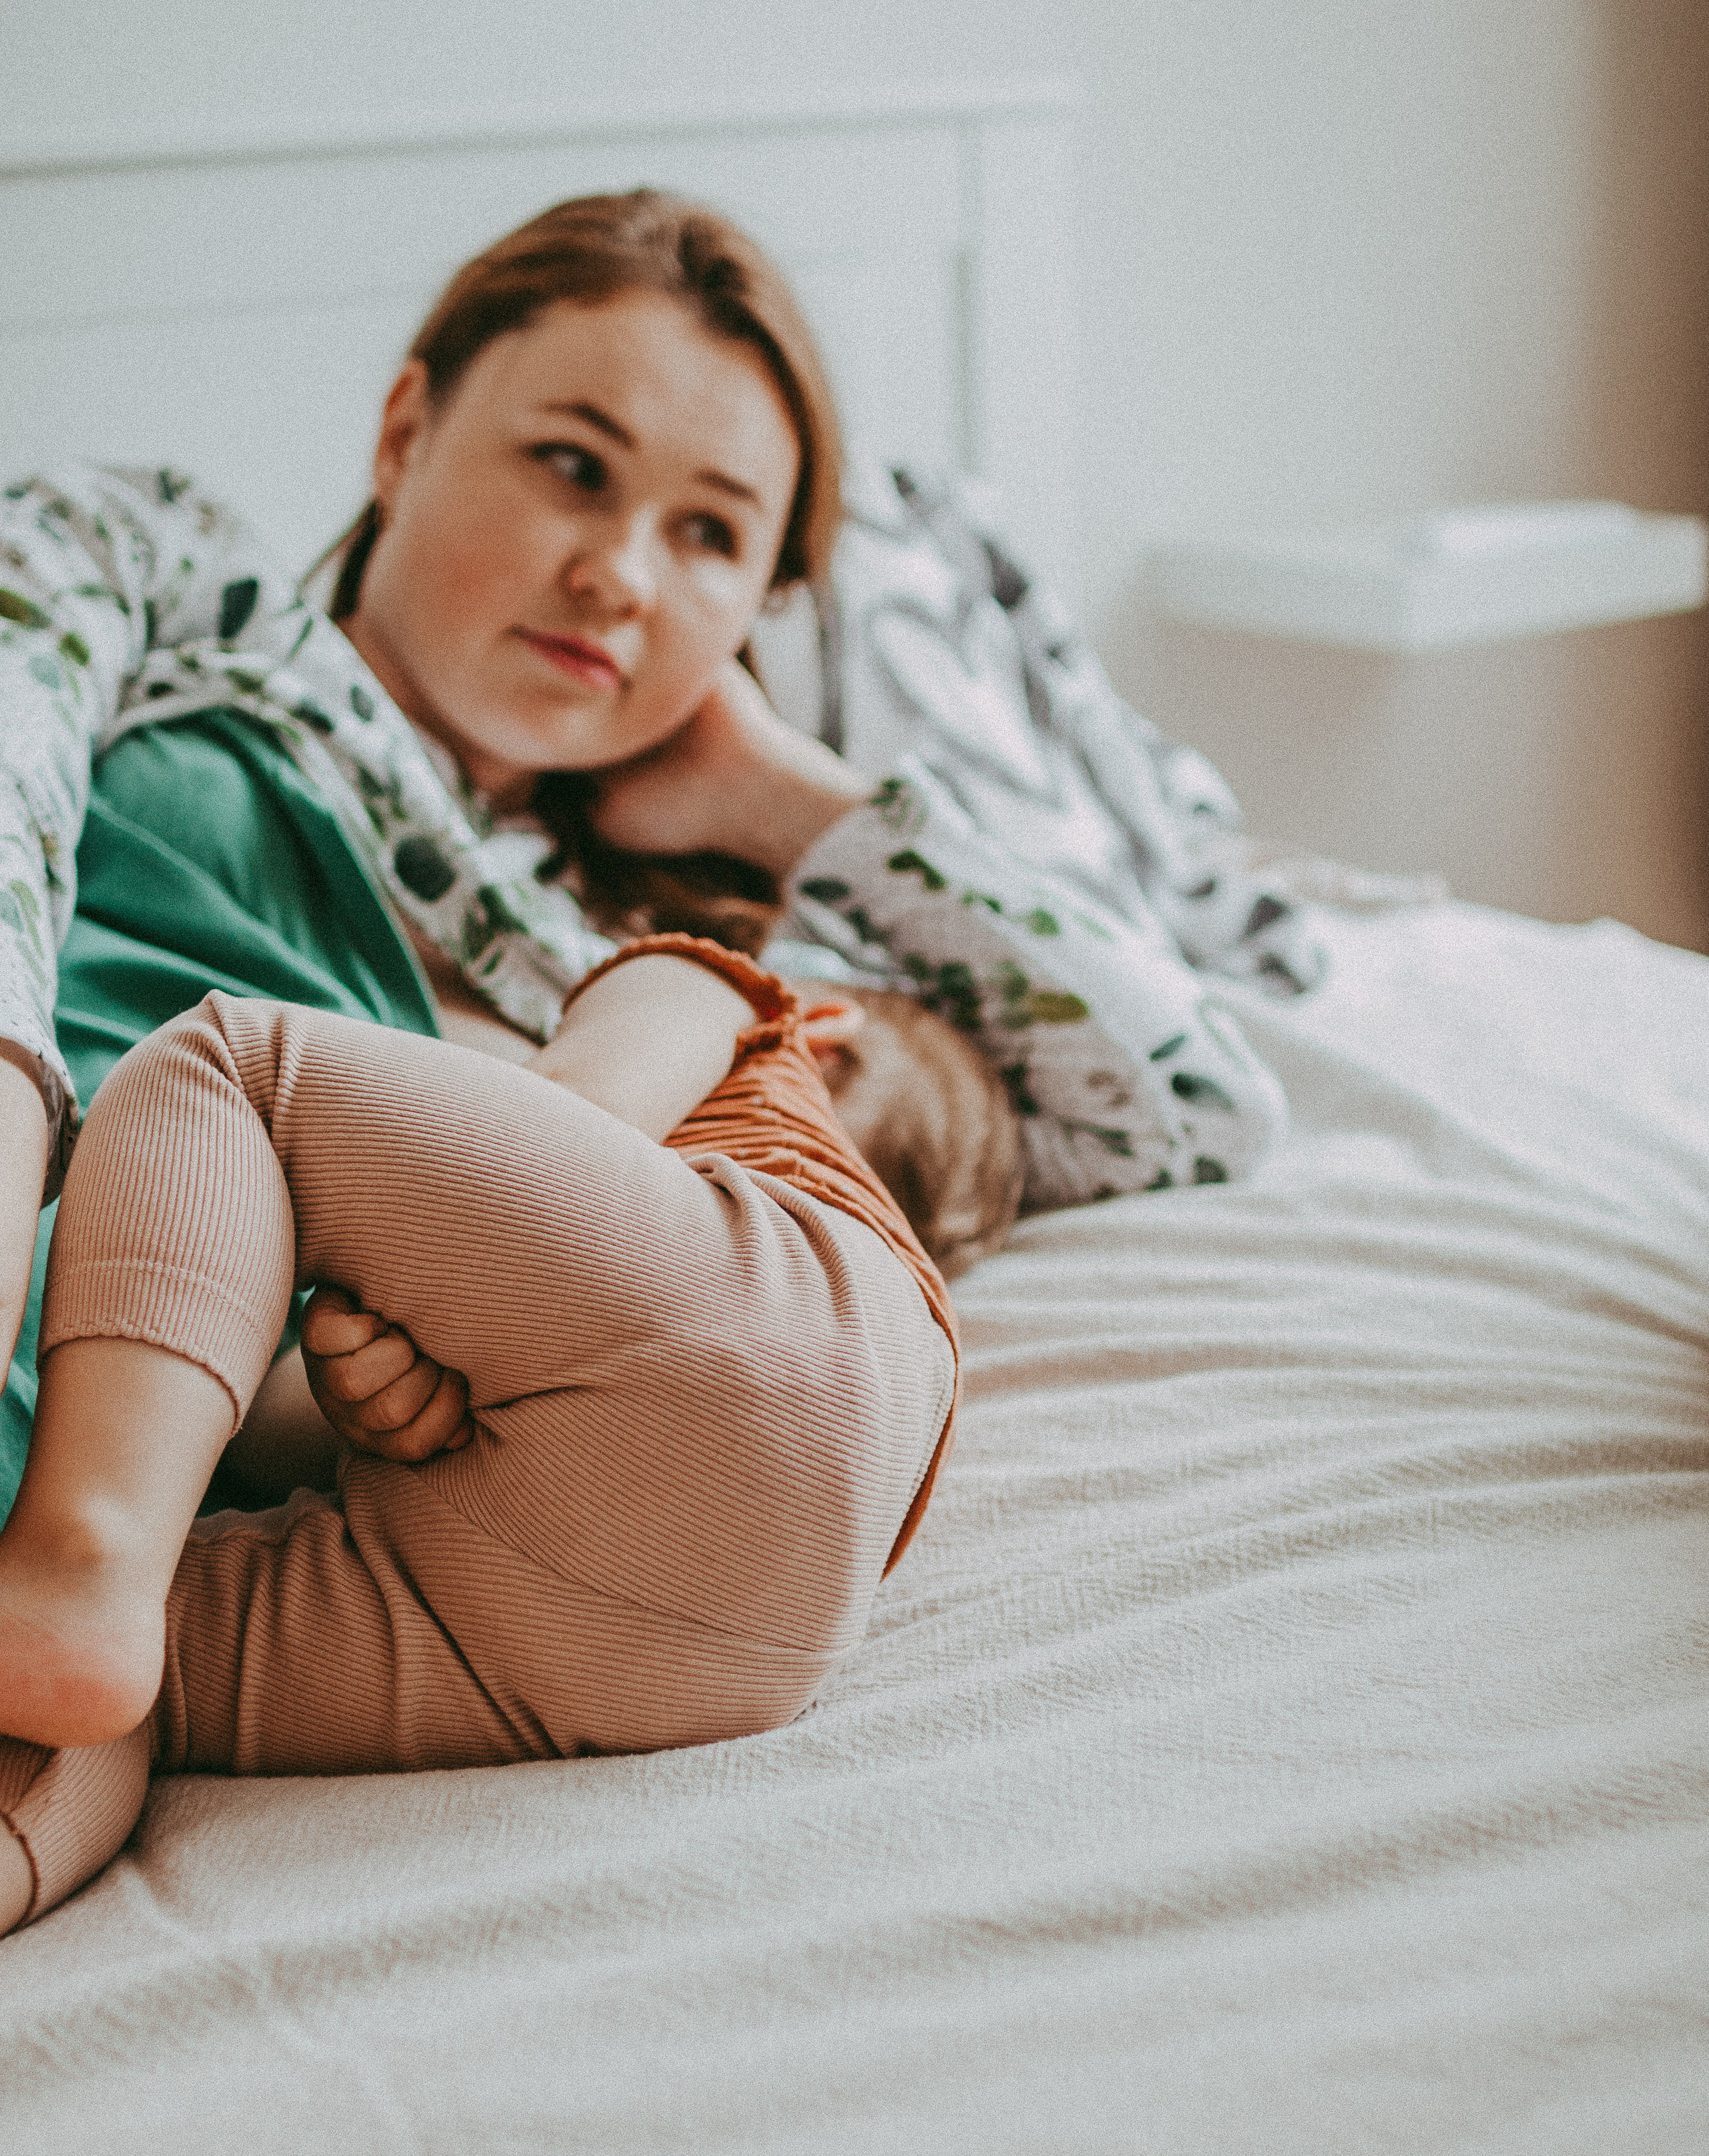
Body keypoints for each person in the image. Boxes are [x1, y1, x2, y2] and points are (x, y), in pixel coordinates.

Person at [0, 190, 1294, 1518]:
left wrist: (791, 800)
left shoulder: (649, 980)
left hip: (145, 1490)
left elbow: (1191, 1111)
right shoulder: (179, 590)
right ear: (405, 437)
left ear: (756, 607)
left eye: (708, 536)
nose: (619, 575)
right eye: (573, 465)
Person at [0, 932, 959, 1935]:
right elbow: (260, 1442)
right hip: (730, 1659)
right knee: (130, 1679)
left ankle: (83, 1553)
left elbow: (581, 1104)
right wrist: (361, 1395)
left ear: (828, 1027)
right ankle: (88, 1622)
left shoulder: (732, 993)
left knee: (234, 1068)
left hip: (788, 1354)